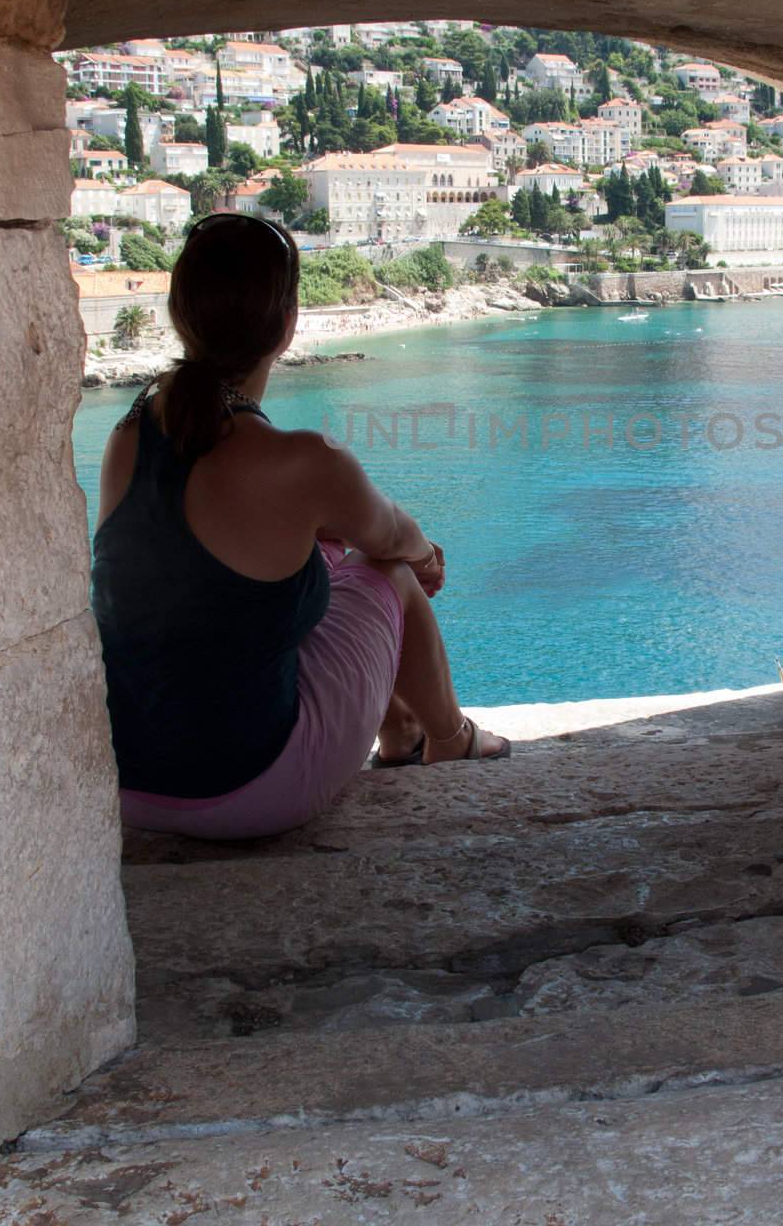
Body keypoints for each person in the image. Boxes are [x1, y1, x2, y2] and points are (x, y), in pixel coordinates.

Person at [91, 212, 508, 841]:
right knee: (384, 572)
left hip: (133, 786)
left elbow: (187, 593)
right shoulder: (305, 462)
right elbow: (394, 538)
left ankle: (401, 732)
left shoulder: (127, 439)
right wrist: (424, 555)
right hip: (248, 792)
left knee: (327, 554)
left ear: (178, 314)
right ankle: (449, 738)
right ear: (287, 327)